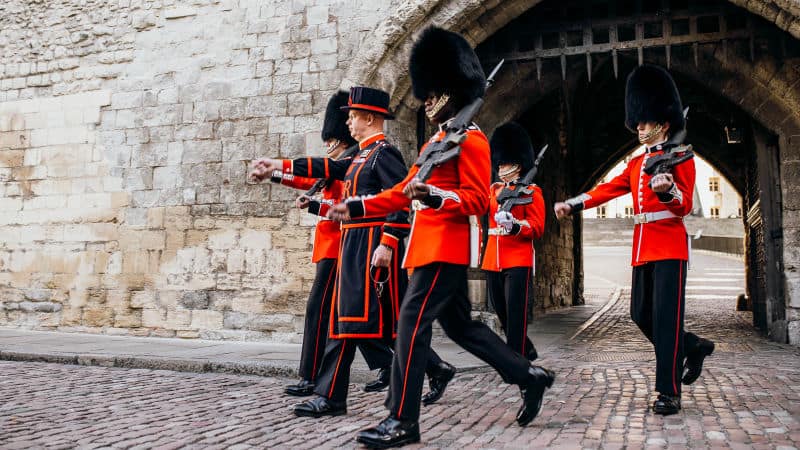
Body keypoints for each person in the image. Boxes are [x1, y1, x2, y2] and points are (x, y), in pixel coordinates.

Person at [327, 27, 555, 448]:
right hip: (427, 248)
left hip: (446, 249)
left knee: (409, 326)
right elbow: (401, 192)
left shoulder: (471, 140)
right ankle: (529, 375)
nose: (426, 101)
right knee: (463, 328)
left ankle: (402, 420)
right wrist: (356, 207)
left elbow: (475, 201)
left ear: (450, 91)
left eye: (432, 94)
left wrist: (434, 195)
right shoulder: (437, 141)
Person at [251, 86, 454, 418]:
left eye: (353, 116)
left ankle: (332, 395)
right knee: (358, 322)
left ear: (369, 118)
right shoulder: (360, 155)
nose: (348, 122)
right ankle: (430, 370)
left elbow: (400, 202)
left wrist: (388, 244)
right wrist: (277, 166)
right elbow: (324, 168)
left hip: (371, 246)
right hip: (354, 244)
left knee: (358, 322)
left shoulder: (383, 154)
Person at [553, 64, 715, 415]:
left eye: (644, 121)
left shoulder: (681, 158)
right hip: (643, 247)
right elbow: (606, 190)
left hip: (670, 247)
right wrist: (573, 203)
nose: (638, 127)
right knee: (640, 314)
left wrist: (668, 189)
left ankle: (669, 392)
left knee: (666, 320)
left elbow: (684, 205)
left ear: (662, 122)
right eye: (637, 121)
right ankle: (693, 346)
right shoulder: (635, 165)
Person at [259, 91, 395, 397]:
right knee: (348, 318)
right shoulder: (350, 158)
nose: (347, 123)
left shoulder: (356, 158)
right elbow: (310, 179)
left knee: (325, 313)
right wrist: (277, 175)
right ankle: (393, 365)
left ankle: (314, 378)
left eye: (351, 117)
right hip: (336, 243)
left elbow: (389, 199)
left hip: (344, 245)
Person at [481, 122, 544, 361]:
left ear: (518, 165)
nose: (500, 167)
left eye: (505, 163)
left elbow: (537, 227)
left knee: (516, 313)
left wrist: (515, 226)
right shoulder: (493, 190)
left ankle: (516, 358)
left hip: (518, 258)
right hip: (492, 259)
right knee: (503, 312)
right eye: (500, 162)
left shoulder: (531, 192)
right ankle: (525, 348)